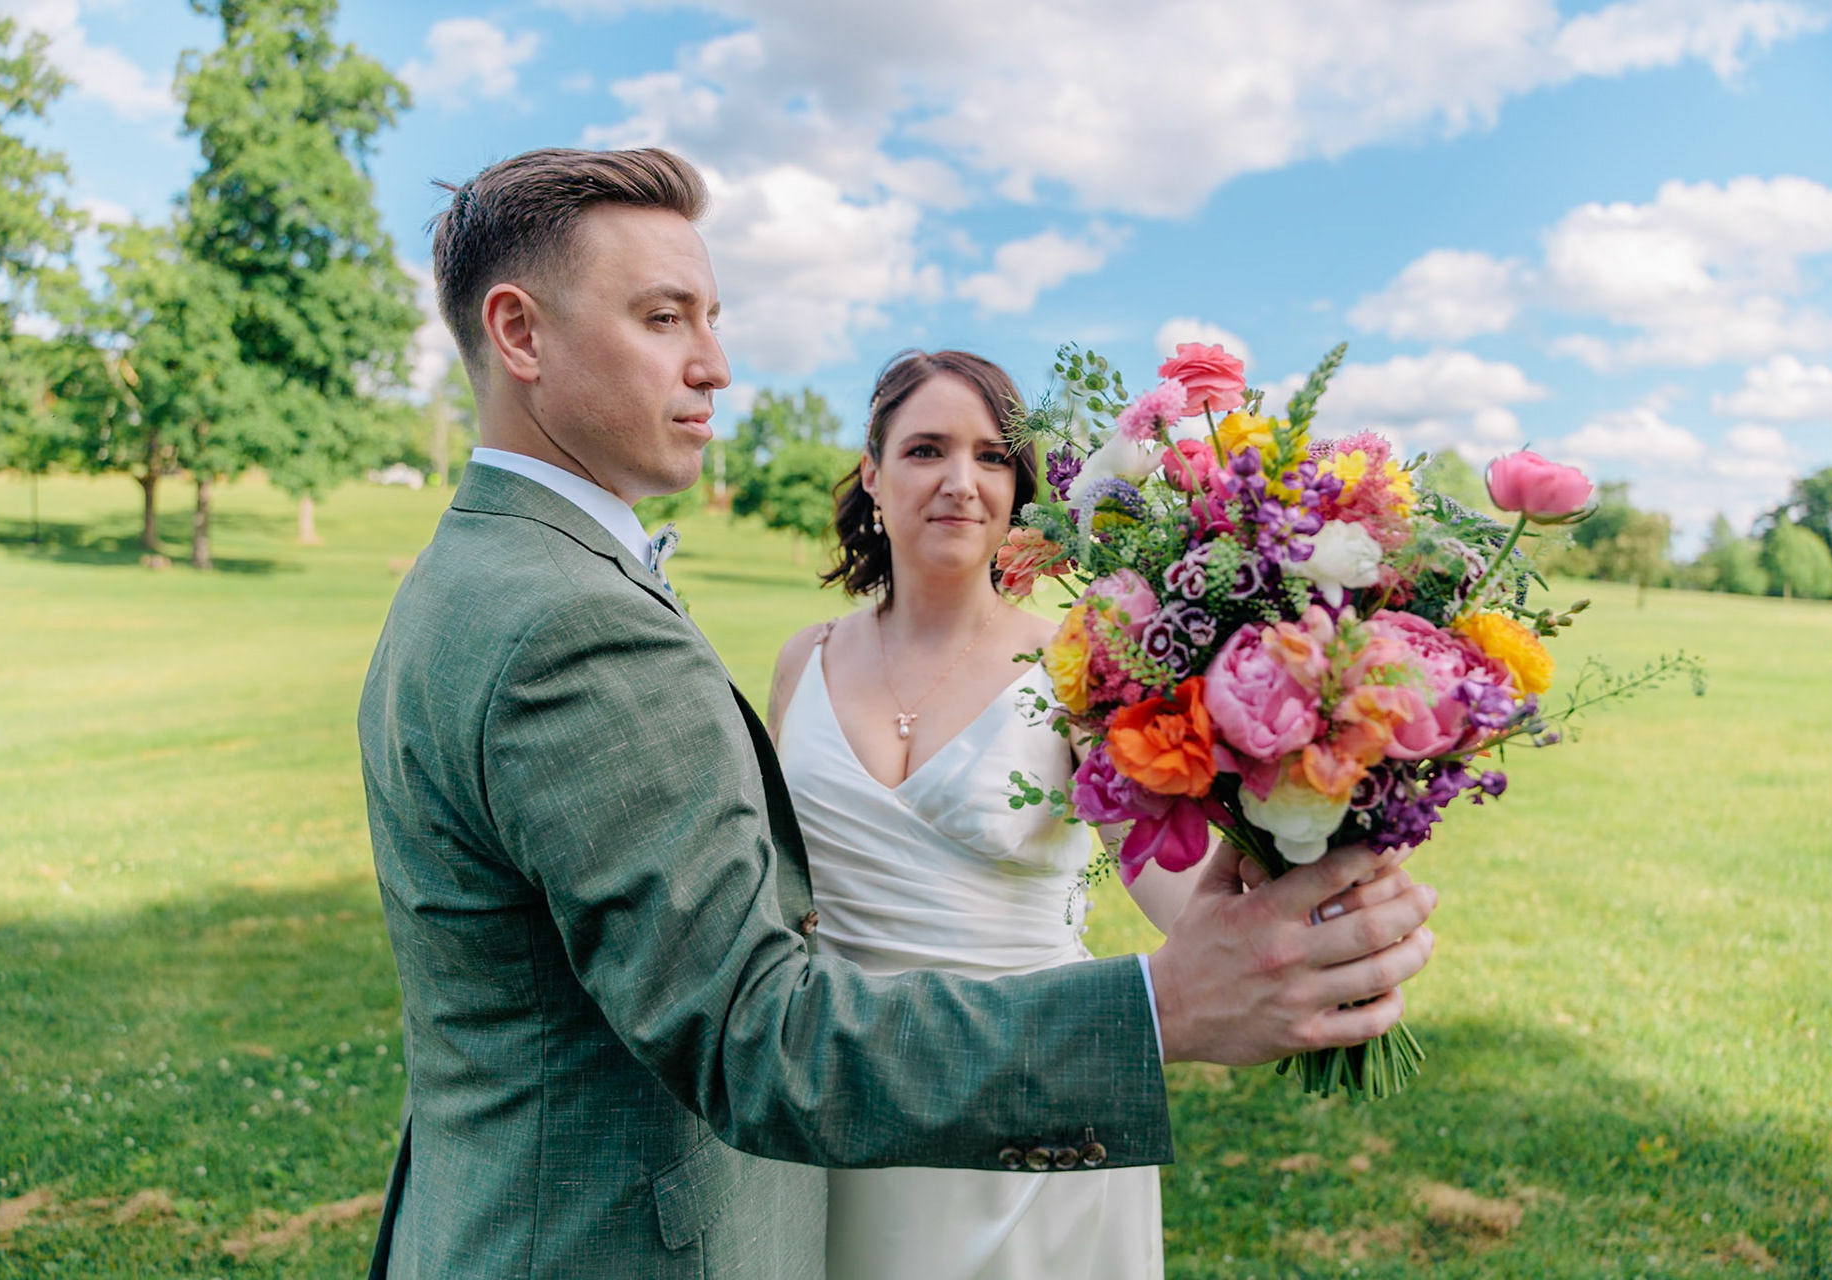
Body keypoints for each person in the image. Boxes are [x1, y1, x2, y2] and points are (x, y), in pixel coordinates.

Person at [357, 146, 1438, 1280]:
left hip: (940, 1145)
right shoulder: (579, 623)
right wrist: (1158, 1010)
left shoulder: (476, 573)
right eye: (664, 318)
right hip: (641, 1213)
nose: (715, 365)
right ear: (520, 335)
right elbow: (753, 1032)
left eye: (712, 319)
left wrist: (1292, 854)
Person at [768, 349, 1206, 1279]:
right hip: (843, 1093)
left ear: (1019, 489)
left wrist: (1302, 853)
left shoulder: (1077, 663)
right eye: (926, 449)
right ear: (873, 474)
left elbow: (1167, 876)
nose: (960, 482)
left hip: (1033, 1109)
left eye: (992, 456)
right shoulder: (801, 662)